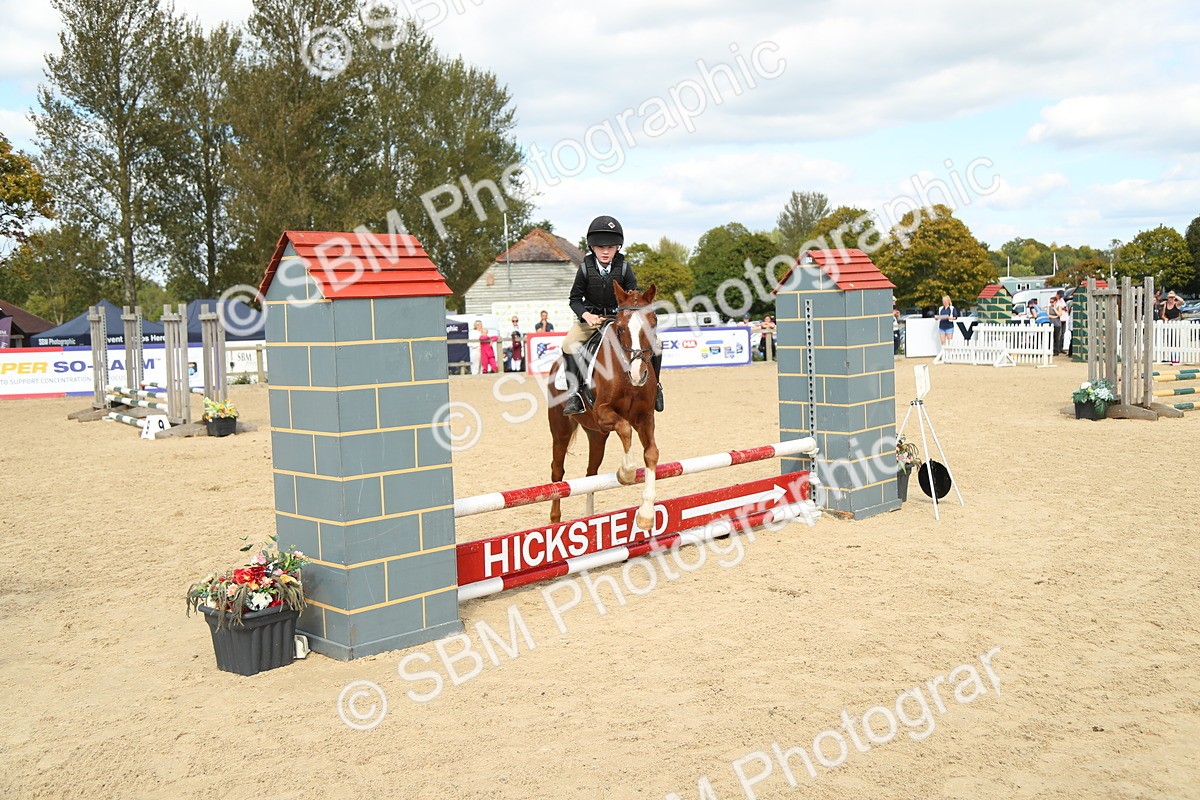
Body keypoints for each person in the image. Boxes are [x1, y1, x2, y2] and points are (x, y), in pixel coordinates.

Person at [560, 215, 663, 415]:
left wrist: (624, 315)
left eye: (610, 247)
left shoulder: (624, 268)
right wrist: (587, 315)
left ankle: (656, 387)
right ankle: (574, 395)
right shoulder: (584, 269)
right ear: (592, 247)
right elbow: (574, 299)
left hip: (619, 320)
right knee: (568, 344)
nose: (605, 251)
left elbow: (634, 298)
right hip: (591, 320)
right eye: (600, 247)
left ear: (618, 247)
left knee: (656, 344)